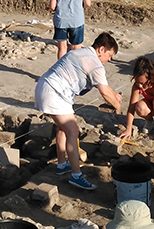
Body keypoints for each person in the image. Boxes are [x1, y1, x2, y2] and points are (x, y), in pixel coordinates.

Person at [34, 32, 122, 190]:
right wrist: (117, 106)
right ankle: (76, 175)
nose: (109, 60)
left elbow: (106, 89)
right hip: (55, 92)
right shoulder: (94, 63)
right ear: (101, 49)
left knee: (63, 128)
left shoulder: (80, 52)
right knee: (73, 131)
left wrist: (114, 95)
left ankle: (62, 165)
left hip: (46, 86)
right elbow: (105, 93)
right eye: (109, 55)